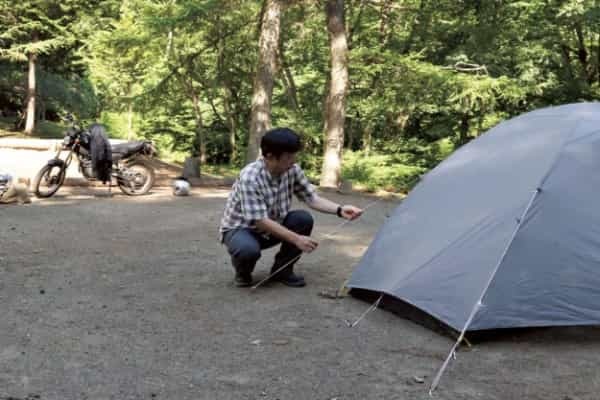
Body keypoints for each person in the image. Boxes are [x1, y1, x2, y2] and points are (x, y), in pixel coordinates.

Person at [219, 127, 363, 287]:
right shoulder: (250, 177)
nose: (293, 160)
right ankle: (243, 272)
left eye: (294, 155)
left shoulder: (292, 170)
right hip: (241, 229)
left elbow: (311, 198)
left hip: (272, 226)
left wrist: (340, 210)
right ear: (270, 156)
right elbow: (259, 220)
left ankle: (282, 271)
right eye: (288, 156)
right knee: (247, 250)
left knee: (302, 219)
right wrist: (296, 239)